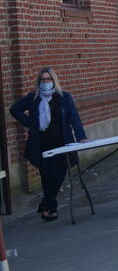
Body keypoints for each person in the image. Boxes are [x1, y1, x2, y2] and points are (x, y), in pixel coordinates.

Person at [10, 67, 88, 222]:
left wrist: (81, 137)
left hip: (62, 143)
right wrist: (30, 122)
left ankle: (46, 203)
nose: (45, 82)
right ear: (39, 81)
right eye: (43, 79)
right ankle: (50, 210)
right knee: (46, 177)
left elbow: (74, 117)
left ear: (54, 80)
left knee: (59, 174)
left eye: (48, 79)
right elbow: (15, 109)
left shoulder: (64, 97)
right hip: (41, 144)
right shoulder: (34, 98)